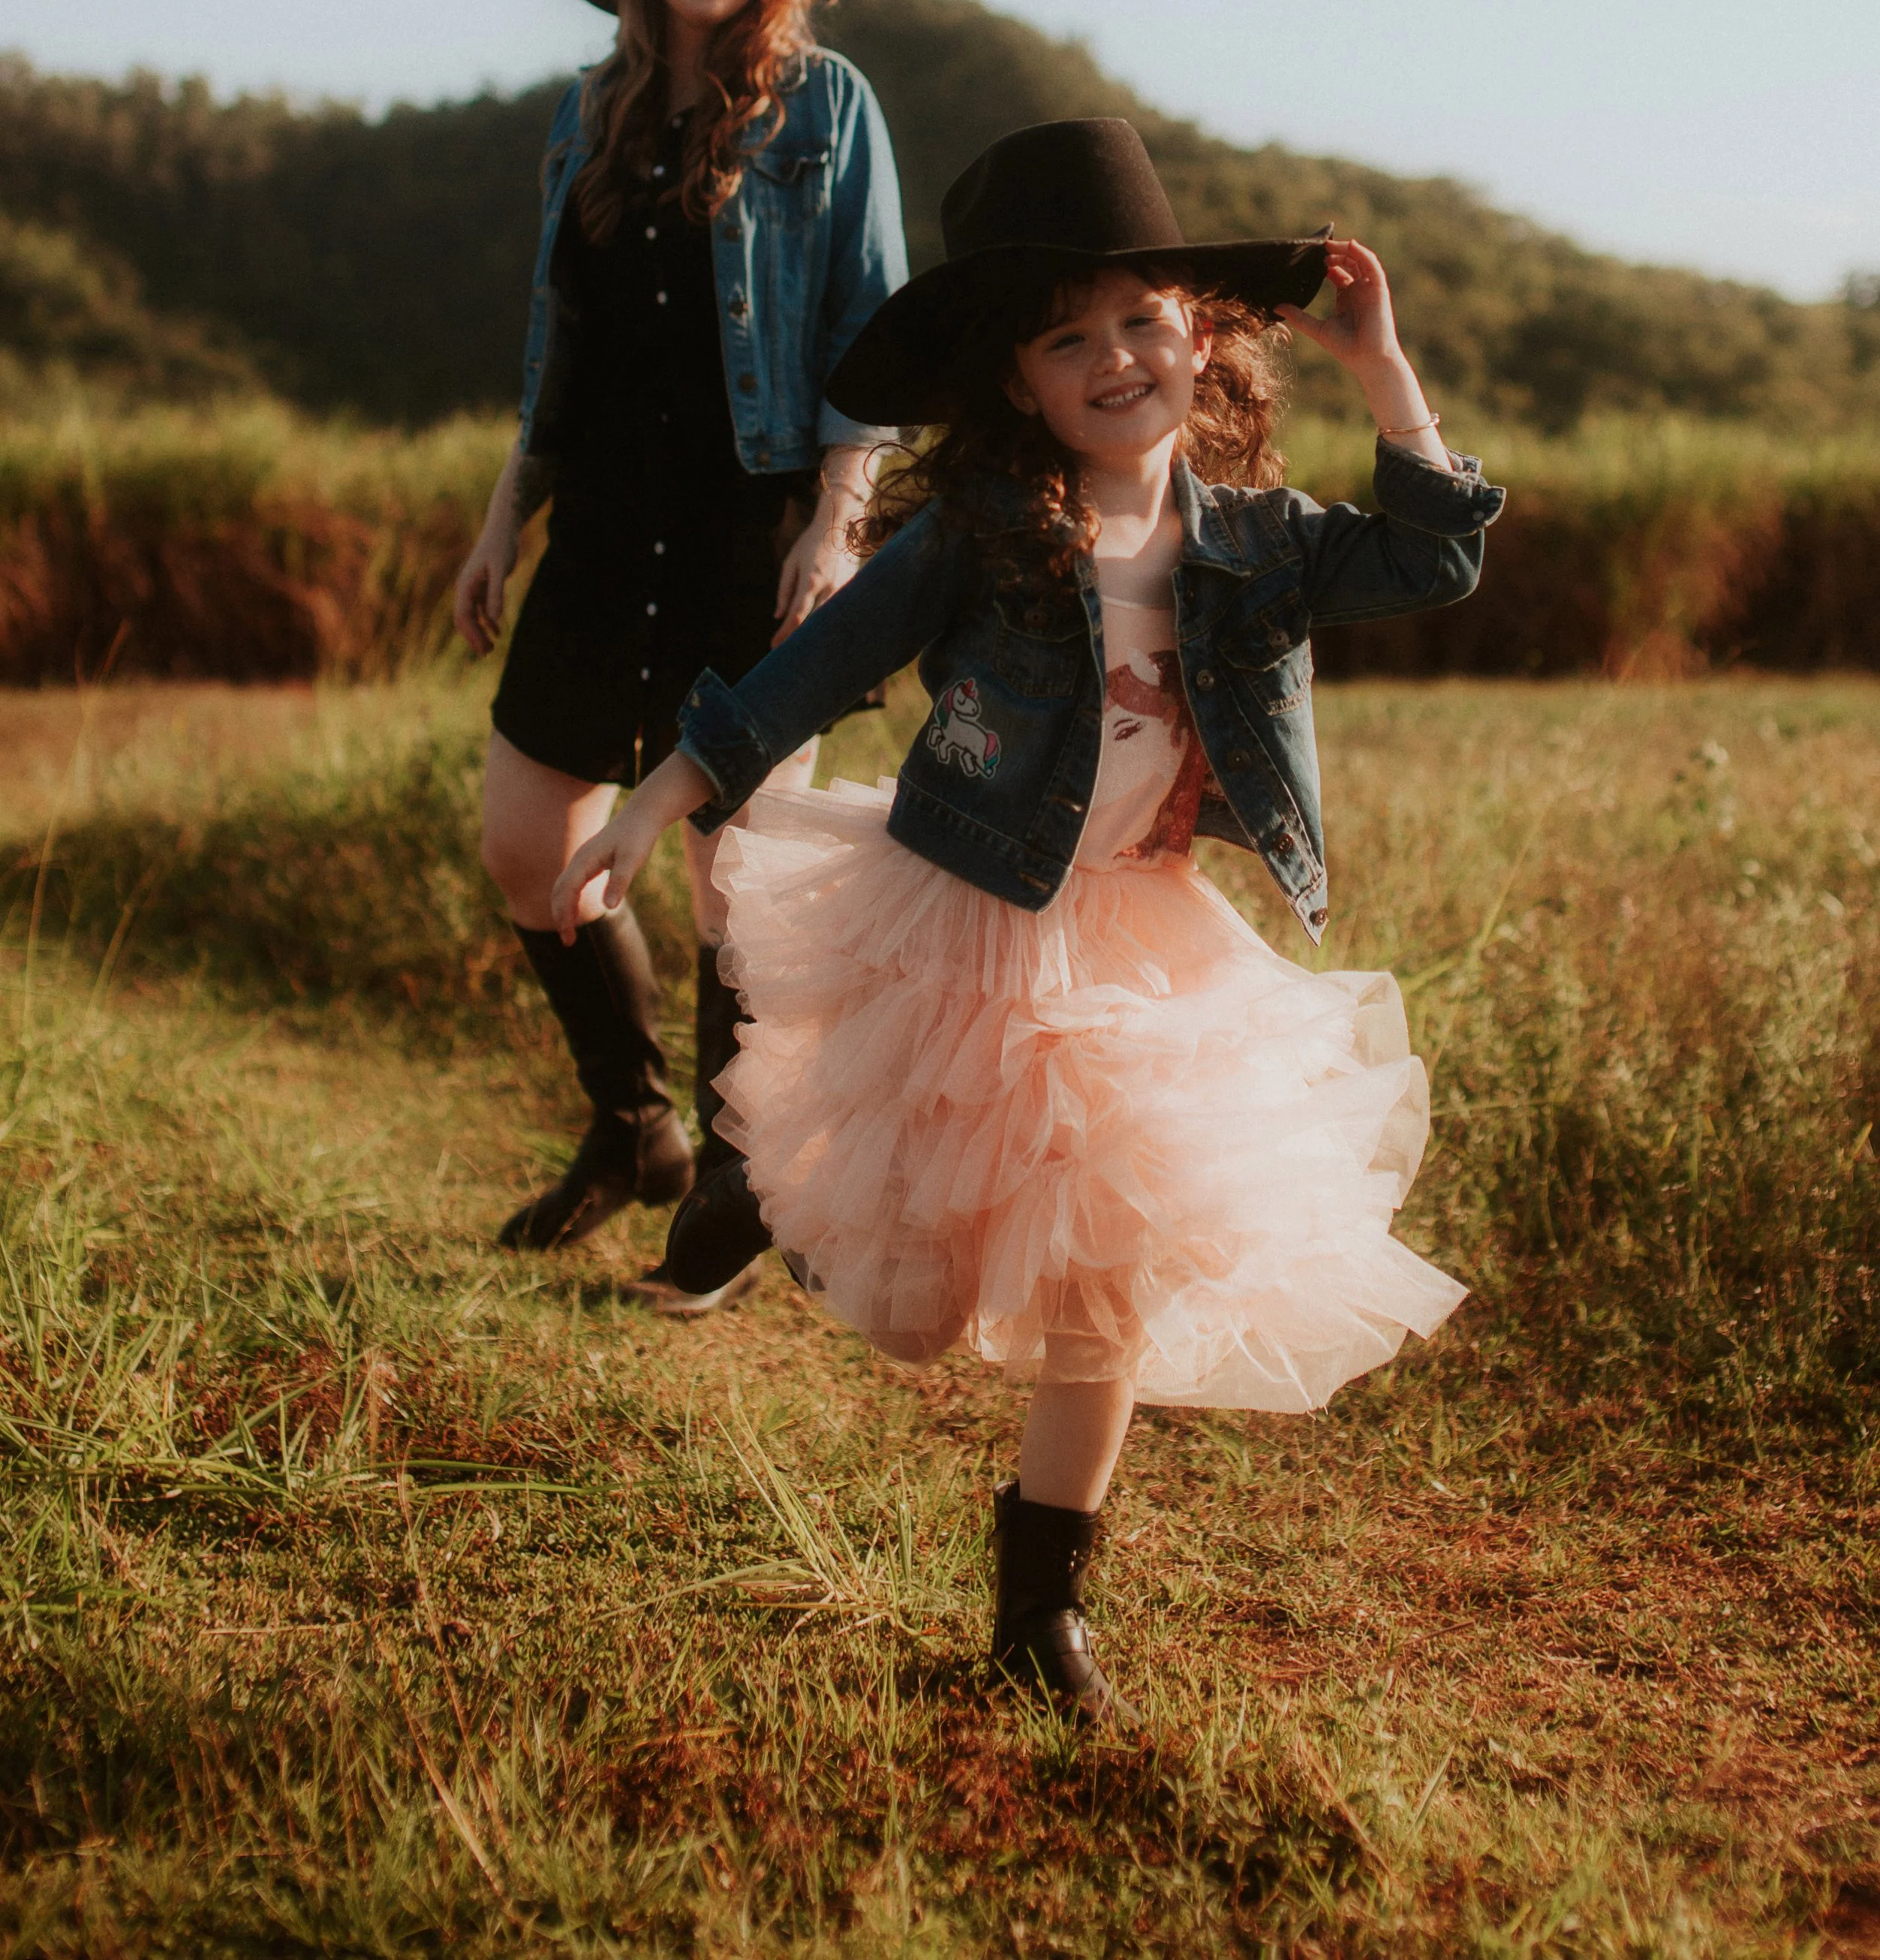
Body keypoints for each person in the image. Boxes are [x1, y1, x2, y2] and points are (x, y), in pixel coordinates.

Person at [549, 117, 1503, 1719]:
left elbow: (1434, 556)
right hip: (964, 913)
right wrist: (650, 804)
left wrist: (1379, 369)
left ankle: (1037, 1613)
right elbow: (813, 668)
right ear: (1018, 382)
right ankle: (752, 1190)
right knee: (911, 1285)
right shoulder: (981, 538)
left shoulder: (1259, 548)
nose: (1115, 357)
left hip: (1139, 943)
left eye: (1142, 320)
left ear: (1199, 334)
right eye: (1069, 339)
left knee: (1103, 1277)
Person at [454, 0, 906, 1297]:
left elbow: (868, 333)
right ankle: (630, 1124)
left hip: (747, 530)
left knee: (733, 876)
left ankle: (732, 1176)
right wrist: (501, 518)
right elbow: (555, 339)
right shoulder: (592, 113)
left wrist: (836, 532)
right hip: (600, 528)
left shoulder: (826, 106)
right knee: (529, 848)